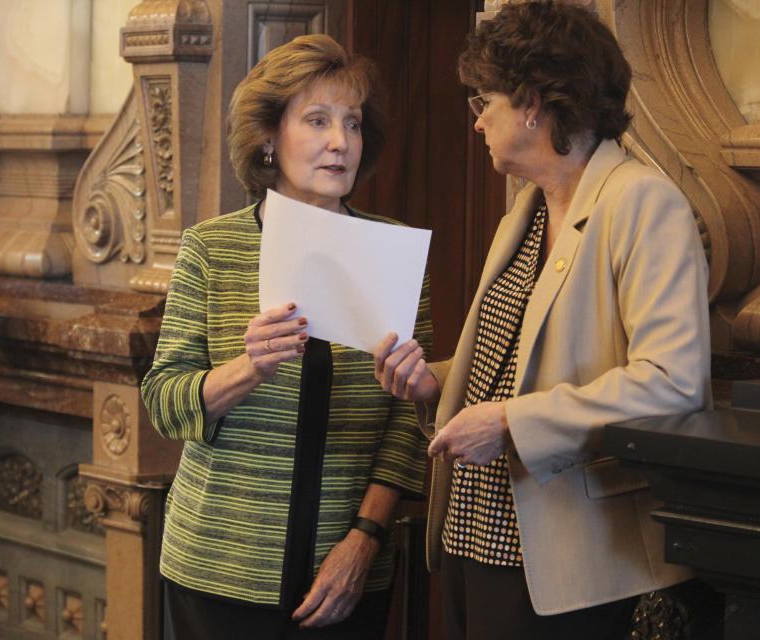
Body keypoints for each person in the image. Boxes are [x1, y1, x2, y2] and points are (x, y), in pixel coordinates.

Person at [372, 2, 711, 639]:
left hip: (573, 558)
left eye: (484, 101)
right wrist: (434, 383)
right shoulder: (524, 211)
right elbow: (510, 369)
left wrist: (510, 423)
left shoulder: (643, 203)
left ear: (532, 102)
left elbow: (672, 383)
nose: (477, 123)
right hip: (477, 533)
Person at [141, 34, 432, 640]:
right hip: (216, 569)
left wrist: (365, 540)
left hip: (348, 574)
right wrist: (247, 369)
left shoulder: (393, 254)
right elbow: (165, 404)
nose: (340, 142)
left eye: (351, 124)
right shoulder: (211, 249)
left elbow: (408, 425)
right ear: (269, 138)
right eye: (318, 120)